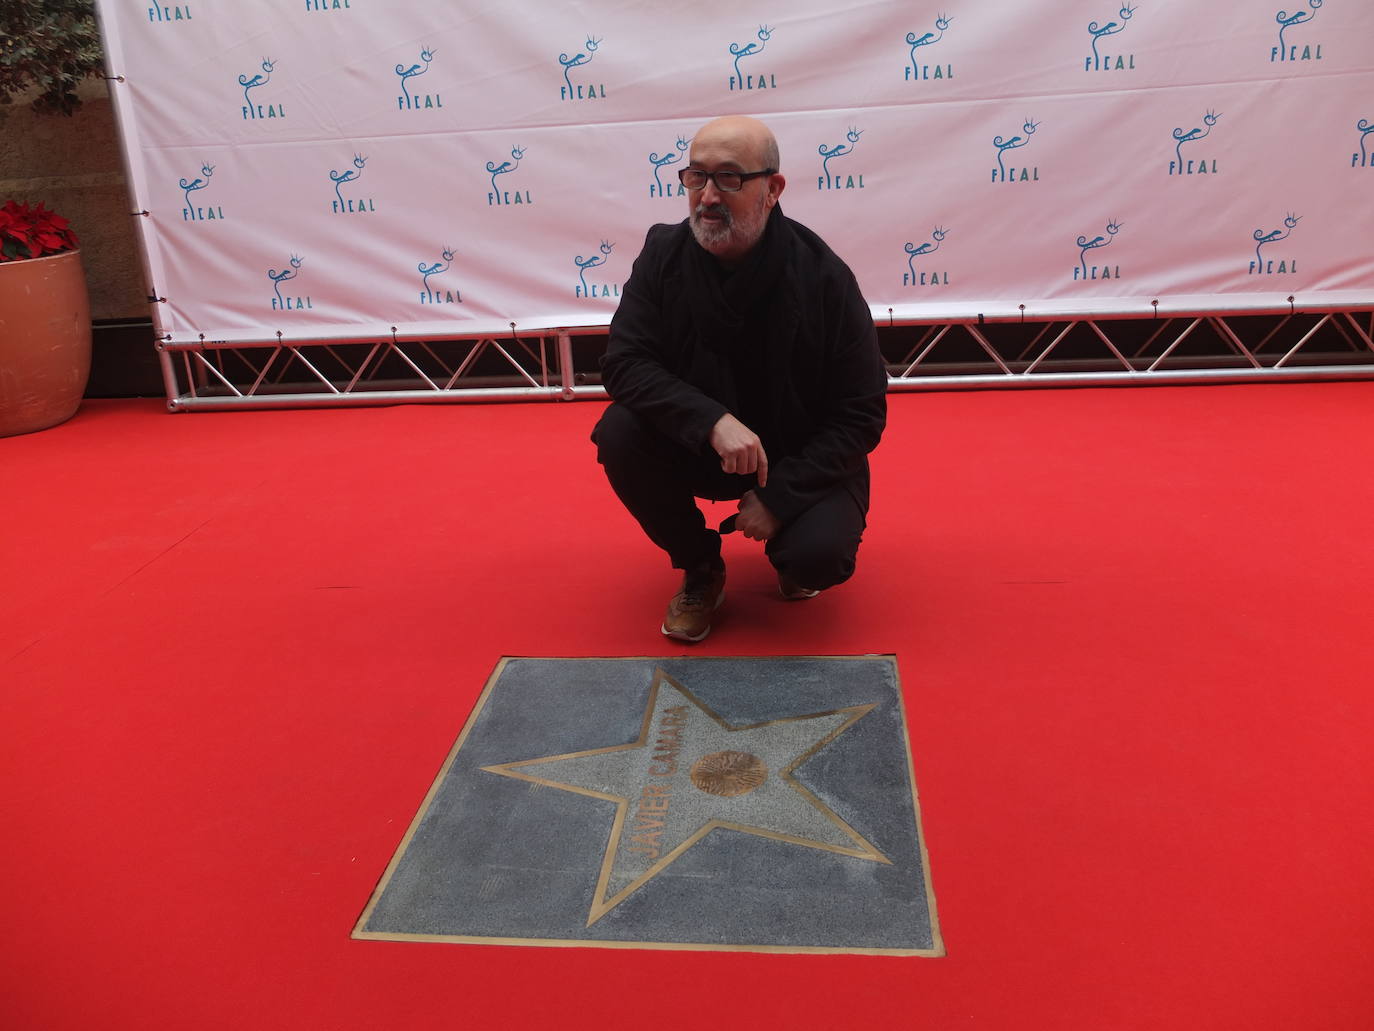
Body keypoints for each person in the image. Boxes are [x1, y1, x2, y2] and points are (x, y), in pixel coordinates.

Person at [592, 115, 888, 642]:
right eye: (696, 176)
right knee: (619, 432)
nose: (707, 196)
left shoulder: (824, 277)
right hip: (704, 446)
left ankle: (792, 548)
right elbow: (624, 362)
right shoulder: (663, 255)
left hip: (798, 455)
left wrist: (781, 498)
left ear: (772, 189)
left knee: (817, 559)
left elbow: (860, 415)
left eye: (729, 178)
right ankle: (701, 565)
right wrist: (712, 420)